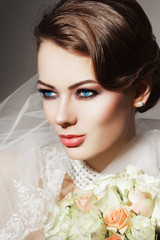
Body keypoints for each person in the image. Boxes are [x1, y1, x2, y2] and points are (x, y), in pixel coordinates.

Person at [0, 0, 160, 239]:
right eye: (49, 93)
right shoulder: (13, 176)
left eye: (85, 92)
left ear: (139, 91)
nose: (61, 117)